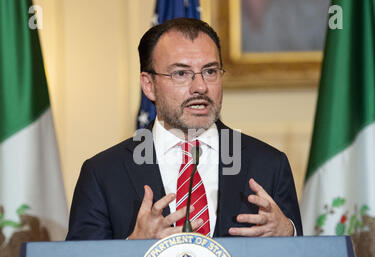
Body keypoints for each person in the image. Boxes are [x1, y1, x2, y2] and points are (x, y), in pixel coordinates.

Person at [66, 18, 303, 240]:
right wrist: (131, 247)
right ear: (149, 86)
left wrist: (288, 234)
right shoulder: (103, 174)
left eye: (210, 71)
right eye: (181, 73)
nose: (200, 87)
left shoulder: (270, 164)